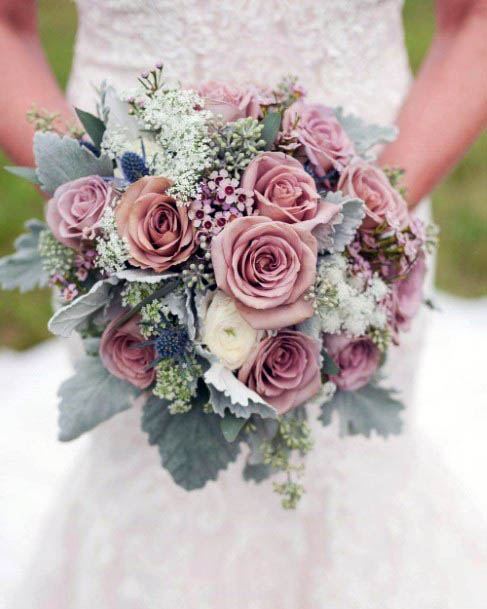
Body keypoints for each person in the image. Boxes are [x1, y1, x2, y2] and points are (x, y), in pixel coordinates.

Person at [1, 1, 487, 607]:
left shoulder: (364, 237)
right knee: (152, 498)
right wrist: (106, 209)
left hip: (372, 204)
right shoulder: (115, 228)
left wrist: (365, 230)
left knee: (347, 479)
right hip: (120, 233)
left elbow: (474, 20)